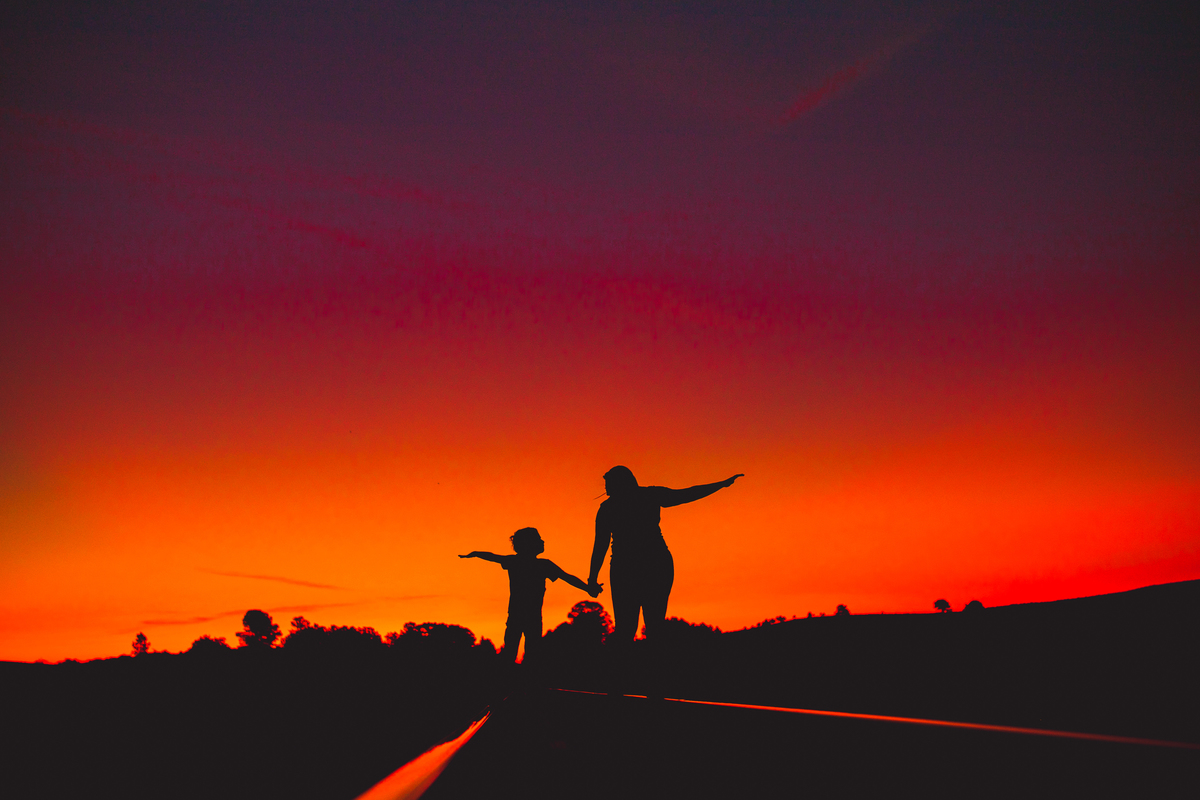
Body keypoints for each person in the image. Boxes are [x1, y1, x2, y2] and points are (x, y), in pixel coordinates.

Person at [588, 466, 742, 645]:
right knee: (648, 626)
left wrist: (592, 578)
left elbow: (601, 545)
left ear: (619, 484)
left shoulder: (610, 508)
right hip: (650, 563)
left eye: (609, 485)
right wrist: (721, 485)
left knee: (631, 628)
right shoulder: (646, 496)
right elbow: (685, 495)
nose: (606, 489)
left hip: (636, 566)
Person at [460, 527, 601, 663]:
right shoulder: (542, 565)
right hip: (530, 616)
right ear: (529, 544)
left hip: (518, 615)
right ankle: (523, 683)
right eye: (539, 539)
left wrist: (475, 553)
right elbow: (567, 577)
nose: (542, 541)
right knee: (529, 652)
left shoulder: (517, 561)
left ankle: (511, 682)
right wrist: (588, 588)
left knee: (513, 651)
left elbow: (492, 557)